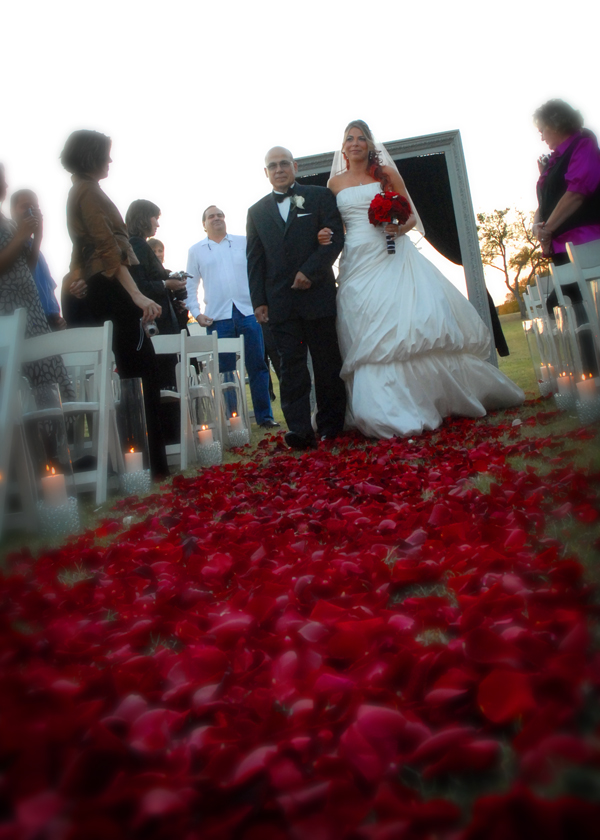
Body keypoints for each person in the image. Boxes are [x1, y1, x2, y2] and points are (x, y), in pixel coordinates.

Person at [325, 120, 524, 438]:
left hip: (392, 255)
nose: (355, 143)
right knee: (364, 325)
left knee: (408, 323)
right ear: (343, 146)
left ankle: (429, 397)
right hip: (356, 262)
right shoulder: (334, 184)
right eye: (349, 138)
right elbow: (336, 226)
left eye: (362, 138)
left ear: (370, 145)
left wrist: (396, 227)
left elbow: (412, 216)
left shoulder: (387, 176)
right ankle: (376, 405)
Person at [61, 130, 169, 479]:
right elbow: (107, 248)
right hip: (112, 288)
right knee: (141, 371)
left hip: (97, 285)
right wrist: (136, 295)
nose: (110, 161)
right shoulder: (89, 191)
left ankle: (134, 460)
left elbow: (81, 246)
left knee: (131, 372)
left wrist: (76, 275)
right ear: (91, 156)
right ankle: (148, 464)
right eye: (105, 155)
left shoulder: (77, 190)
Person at [246, 148, 346, 448]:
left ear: (295, 166)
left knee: (327, 363)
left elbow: (334, 239)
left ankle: (331, 427)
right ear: (266, 172)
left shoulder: (318, 196)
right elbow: (255, 260)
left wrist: (310, 272)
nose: (279, 169)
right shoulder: (256, 211)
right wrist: (259, 302)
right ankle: (301, 431)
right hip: (280, 302)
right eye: (272, 166)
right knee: (291, 368)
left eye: (284, 164)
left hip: (318, 295)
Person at [186, 205, 279, 429]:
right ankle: (233, 419)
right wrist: (197, 313)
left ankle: (265, 417)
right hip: (218, 317)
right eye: (211, 216)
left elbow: (259, 271)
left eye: (220, 215)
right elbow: (190, 284)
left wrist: (262, 302)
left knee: (257, 365)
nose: (216, 219)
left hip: (248, 311)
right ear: (204, 224)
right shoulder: (196, 250)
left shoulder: (243, 242)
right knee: (225, 370)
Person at [0, 164, 72, 396]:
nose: (6, 184)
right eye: (2, 178)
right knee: (21, 388)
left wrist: (37, 237)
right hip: (8, 312)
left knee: (50, 383)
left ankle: (54, 431)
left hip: (31, 313)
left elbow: (25, 267)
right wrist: (21, 235)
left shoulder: (7, 223)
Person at [9, 189, 66, 331]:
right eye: (25, 206)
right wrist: (38, 237)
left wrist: (56, 316)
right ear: (12, 211)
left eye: (35, 207)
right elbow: (25, 274)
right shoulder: (10, 243)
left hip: (47, 323)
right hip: (25, 323)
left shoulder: (36, 250)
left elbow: (47, 288)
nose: (31, 211)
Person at [148, 237, 190, 330]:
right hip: (155, 323)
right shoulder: (145, 276)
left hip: (173, 323)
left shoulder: (170, 274)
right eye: (154, 251)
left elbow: (182, 298)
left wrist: (180, 301)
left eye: (160, 251)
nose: (158, 254)